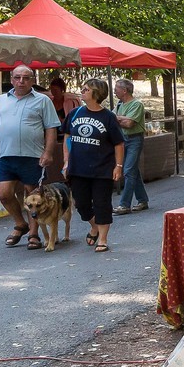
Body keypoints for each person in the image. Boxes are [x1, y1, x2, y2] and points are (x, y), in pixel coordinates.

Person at [0, 65, 61, 250]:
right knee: (4, 194)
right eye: (18, 77)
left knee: (33, 196)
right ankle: (21, 224)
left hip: (32, 156)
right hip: (7, 156)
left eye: (26, 78)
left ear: (33, 80)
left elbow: (51, 128)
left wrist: (48, 152)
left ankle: (34, 234)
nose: (21, 81)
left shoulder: (42, 100)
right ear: (11, 79)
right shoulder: (1, 100)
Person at [62, 81, 125, 252]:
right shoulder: (74, 113)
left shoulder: (108, 117)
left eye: (86, 90)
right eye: (82, 89)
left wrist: (118, 166)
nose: (82, 92)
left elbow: (118, 143)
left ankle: (103, 239)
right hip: (78, 168)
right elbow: (67, 136)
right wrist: (66, 160)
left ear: (96, 94)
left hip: (102, 168)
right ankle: (94, 225)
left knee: (102, 203)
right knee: (81, 203)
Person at [111, 78, 149, 214]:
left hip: (134, 139)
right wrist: (123, 118)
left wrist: (118, 118)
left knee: (127, 170)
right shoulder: (120, 105)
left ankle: (124, 204)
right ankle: (142, 200)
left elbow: (129, 124)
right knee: (133, 171)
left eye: (116, 89)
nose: (114, 91)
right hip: (122, 139)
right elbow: (113, 118)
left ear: (124, 90)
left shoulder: (137, 104)